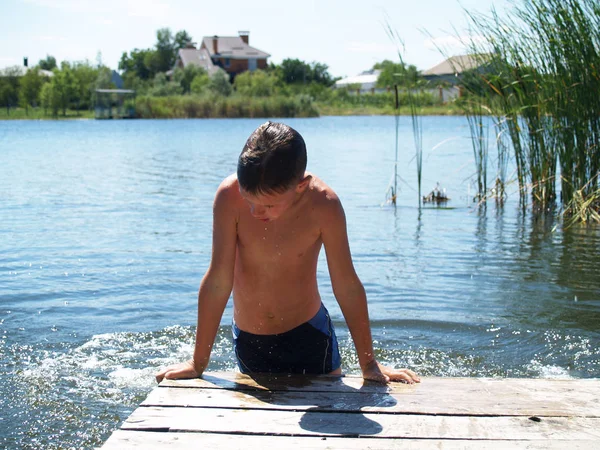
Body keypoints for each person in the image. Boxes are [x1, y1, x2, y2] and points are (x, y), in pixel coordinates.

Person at [155, 122, 420, 384]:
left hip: (310, 336)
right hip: (250, 341)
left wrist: (369, 364)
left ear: (301, 186)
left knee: (334, 417)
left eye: (268, 205)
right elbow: (217, 282)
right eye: (249, 200)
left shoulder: (324, 205)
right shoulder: (228, 196)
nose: (255, 213)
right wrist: (197, 363)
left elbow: (347, 286)